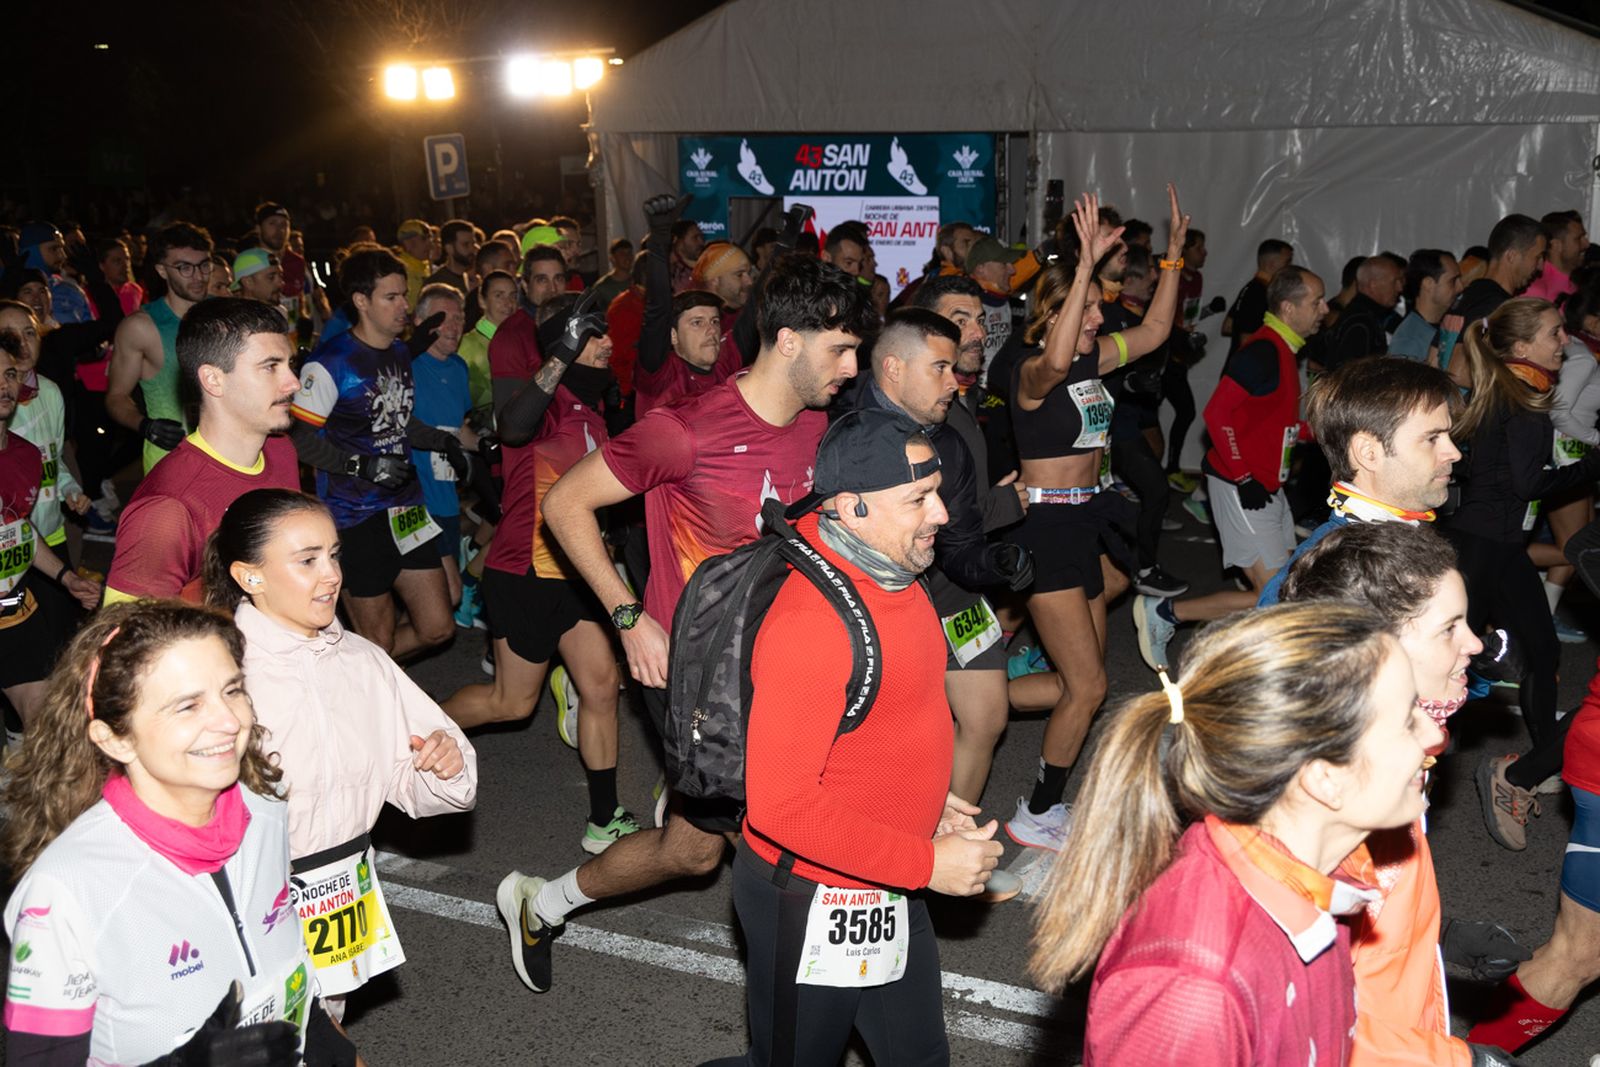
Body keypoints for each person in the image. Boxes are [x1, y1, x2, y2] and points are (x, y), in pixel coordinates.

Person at [492, 254, 870, 993]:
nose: (851, 367)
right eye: (840, 349)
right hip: (692, 673)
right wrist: (629, 615)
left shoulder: (822, 430)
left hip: (778, 665)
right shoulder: (684, 431)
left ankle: (543, 902)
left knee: (694, 853)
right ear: (787, 339)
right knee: (780, 838)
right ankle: (812, 1000)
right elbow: (564, 504)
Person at [703, 409, 1002, 1067]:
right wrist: (929, 865)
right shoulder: (811, 623)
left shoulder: (894, 567)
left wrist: (925, 801)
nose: (942, 515)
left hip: (886, 877)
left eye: (937, 492)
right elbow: (781, 806)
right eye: (918, 498)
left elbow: (889, 714)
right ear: (852, 507)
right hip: (808, 897)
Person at [1032, 603, 1440, 1066]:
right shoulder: (1192, 989)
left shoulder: (1310, 879)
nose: (1433, 735)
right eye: (1408, 719)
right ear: (1324, 778)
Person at [1, 601, 345, 1066]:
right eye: (188, 706)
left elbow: (293, 988)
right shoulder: (63, 889)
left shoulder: (265, 809)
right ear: (114, 739)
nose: (229, 721)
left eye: (232, 690)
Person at [202, 488, 476, 1015]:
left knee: (323, 1025)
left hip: (341, 898)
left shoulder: (363, 662)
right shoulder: (215, 671)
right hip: (240, 905)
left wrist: (443, 765)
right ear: (249, 576)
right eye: (307, 560)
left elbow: (427, 785)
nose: (331, 575)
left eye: (333, 555)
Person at [1279, 522, 1535, 1067]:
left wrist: (1433, 930)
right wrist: (1453, 1062)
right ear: (1377, 650)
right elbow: (1288, 1017)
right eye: (1450, 628)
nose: (1475, 643)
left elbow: (1359, 902)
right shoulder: (1327, 796)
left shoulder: (1391, 752)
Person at [1003, 188, 1188, 849]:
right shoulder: (1033, 372)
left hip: (1084, 525)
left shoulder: (1095, 361)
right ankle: (1037, 809)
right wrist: (1081, 264)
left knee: (1077, 678)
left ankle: (973, 695)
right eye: (1088, 306)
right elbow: (1053, 360)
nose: (1102, 313)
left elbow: (1158, 332)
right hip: (1045, 529)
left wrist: (1171, 263)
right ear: (1056, 309)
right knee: (1088, 686)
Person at [442, 295, 641, 855]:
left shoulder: (597, 414)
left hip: (578, 575)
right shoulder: (544, 402)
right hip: (524, 571)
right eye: (593, 335)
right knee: (512, 704)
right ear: (566, 341)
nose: (607, 344)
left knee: (601, 687)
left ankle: (603, 819)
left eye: (603, 336)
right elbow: (513, 427)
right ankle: (406, 737)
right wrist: (561, 353)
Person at [856, 309, 1034, 835]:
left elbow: (959, 545)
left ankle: (946, 842)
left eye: (953, 369)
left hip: (952, 595)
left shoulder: (949, 443)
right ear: (893, 369)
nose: (953, 384)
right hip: (880, 605)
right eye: (939, 368)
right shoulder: (848, 429)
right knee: (889, 738)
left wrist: (994, 563)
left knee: (986, 716)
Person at [1447, 298, 1600, 850]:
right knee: (1446, 662)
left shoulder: (1512, 390)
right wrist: (1592, 466)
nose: (1565, 341)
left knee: (1540, 651)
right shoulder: (1523, 401)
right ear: (1520, 348)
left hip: (1498, 547)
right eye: (1556, 334)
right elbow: (1529, 485)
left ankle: (1537, 762)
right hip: (1483, 549)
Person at [1134, 265, 1328, 672]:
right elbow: (1217, 414)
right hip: (1242, 485)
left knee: (1285, 589)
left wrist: (1325, 434)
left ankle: (1237, 650)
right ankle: (1167, 613)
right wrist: (1241, 475)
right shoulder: (1263, 351)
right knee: (1272, 595)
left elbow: (1275, 422)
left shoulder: (1284, 350)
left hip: (1267, 486)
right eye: (1316, 302)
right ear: (1290, 308)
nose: (1325, 309)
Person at [288, 248, 467, 659]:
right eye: (392, 297)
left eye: (405, 295)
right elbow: (297, 438)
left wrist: (443, 441)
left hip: (405, 509)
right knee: (378, 642)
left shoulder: (400, 354)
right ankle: (371, 692)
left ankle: (354, 672)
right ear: (361, 301)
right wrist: (362, 465)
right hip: (353, 517)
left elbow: (396, 422)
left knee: (439, 628)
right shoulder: (330, 363)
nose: (404, 306)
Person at [105, 298, 301, 603]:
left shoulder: (280, 451)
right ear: (213, 379)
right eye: (270, 367)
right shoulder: (167, 509)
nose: (293, 383)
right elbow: (125, 642)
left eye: (290, 365)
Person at [1255, 355, 1462, 605]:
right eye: (1432, 439)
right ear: (1368, 453)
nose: (1454, 453)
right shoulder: (1322, 587)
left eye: (1448, 435)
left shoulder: (1394, 540)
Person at [0, 339, 100, 729]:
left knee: (44, 715)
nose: (3, 385)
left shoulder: (25, 454)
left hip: (11, 603)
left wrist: (66, 577)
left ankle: (24, 784)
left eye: (9, 374)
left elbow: (19, 529)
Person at [107, 221, 215, 473]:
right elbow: (116, 396)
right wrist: (145, 425)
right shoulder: (140, 327)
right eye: (184, 268)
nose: (198, 276)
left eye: (204, 265)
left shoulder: (223, 314)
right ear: (162, 271)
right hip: (171, 465)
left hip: (226, 460)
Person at [0, 301, 93, 558]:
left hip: (50, 533)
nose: (22, 343)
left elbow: (52, 458)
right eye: (10, 335)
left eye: (29, 333)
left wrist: (69, 489)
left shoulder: (50, 392)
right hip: (9, 542)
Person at [407, 283, 477, 609]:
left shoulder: (459, 368)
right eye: (443, 318)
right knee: (446, 596)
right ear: (421, 323)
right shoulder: (407, 365)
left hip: (446, 498)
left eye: (459, 318)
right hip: (413, 500)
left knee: (445, 601)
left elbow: (459, 429)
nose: (453, 326)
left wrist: (489, 446)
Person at [1164, 227, 1208, 489]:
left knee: (1186, 411)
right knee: (1183, 410)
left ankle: (1169, 470)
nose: (1204, 253)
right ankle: (1167, 471)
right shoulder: (1172, 275)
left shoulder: (1196, 278)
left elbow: (1186, 316)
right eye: (1199, 247)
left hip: (1180, 355)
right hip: (1165, 355)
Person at [1311, 255, 1403, 372]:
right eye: (1395, 281)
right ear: (1373, 284)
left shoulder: (1364, 316)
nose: (1400, 288)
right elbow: (1350, 376)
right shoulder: (1360, 322)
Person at [1390, 248, 1465, 364]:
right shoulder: (1408, 342)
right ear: (1428, 284)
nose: (1461, 287)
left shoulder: (1445, 326)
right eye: (1453, 280)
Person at [459, 269, 517, 419]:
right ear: (482, 300)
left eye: (513, 296)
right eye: (499, 296)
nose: (508, 304)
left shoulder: (522, 341)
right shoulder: (466, 346)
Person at [1222, 238, 1293, 356]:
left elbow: (1228, 326)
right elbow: (1246, 339)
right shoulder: (1258, 293)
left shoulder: (1251, 288)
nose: (1289, 268)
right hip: (1247, 371)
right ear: (1271, 265)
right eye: (1287, 262)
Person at [1525, 210, 1588, 305]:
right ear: (1556, 245)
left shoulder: (1580, 285)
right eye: (1578, 239)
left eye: (1584, 237)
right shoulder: (1535, 291)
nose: (1586, 244)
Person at [427, 218, 479, 293]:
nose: (472, 249)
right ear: (449, 248)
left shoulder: (470, 280)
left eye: (473, 244)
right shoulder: (437, 285)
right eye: (465, 245)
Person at [395, 219, 432, 310]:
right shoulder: (400, 268)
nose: (430, 244)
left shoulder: (424, 265)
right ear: (408, 244)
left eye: (429, 238)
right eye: (423, 239)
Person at [590, 238, 634, 310]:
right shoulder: (602, 287)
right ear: (612, 258)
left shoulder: (639, 281)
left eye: (629, 252)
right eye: (622, 253)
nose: (627, 257)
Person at [670, 218, 705, 293]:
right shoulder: (664, 269)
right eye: (695, 237)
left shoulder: (704, 268)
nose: (701, 242)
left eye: (702, 237)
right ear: (677, 240)